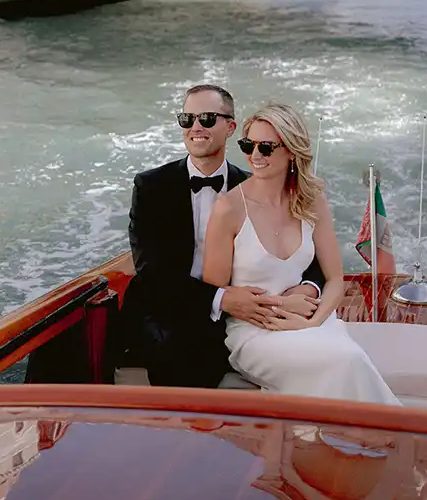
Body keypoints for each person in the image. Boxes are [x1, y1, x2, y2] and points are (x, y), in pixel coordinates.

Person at [118, 84, 325, 388]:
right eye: (187, 119)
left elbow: (312, 259)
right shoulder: (152, 187)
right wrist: (223, 299)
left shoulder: (255, 186)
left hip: (247, 310)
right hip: (170, 306)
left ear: (230, 128)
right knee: (178, 352)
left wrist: (306, 291)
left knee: (315, 355)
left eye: (207, 118)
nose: (196, 127)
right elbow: (153, 275)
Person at [204, 102, 400, 405]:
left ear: (291, 151)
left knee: (350, 358)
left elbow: (335, 278)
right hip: (256, 330)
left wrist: (312, 320)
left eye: (266, 147)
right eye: (248, 145)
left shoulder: (312, 199)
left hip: (312, 318)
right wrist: (281, 305)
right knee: (346, 361)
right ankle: (381, 440)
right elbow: (213, 290)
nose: (255, 155)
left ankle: (352, 440)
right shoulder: (228, 208)